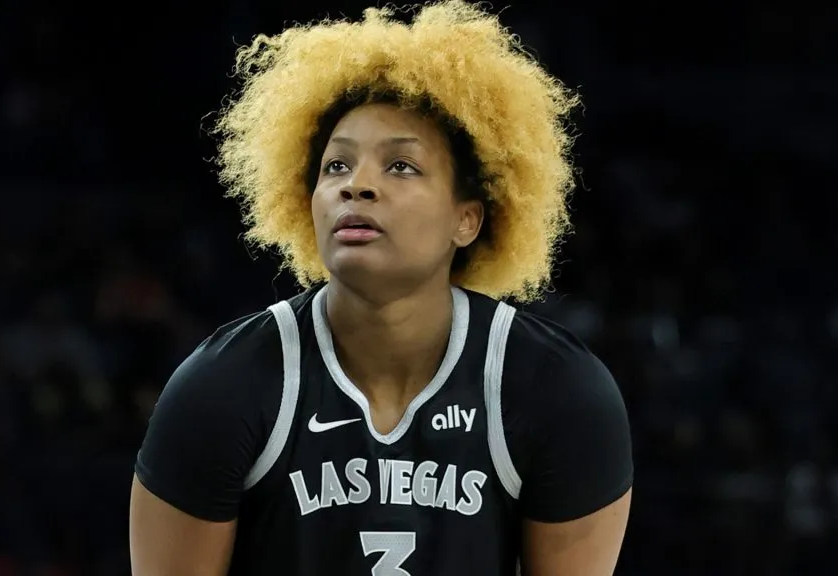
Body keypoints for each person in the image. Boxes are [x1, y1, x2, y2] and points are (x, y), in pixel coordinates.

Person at [129, 2, 633, 575]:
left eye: (400, 166)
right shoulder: (222, 387)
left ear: (466, 220)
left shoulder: (557, 389)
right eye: (336, 166)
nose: (357, 185)